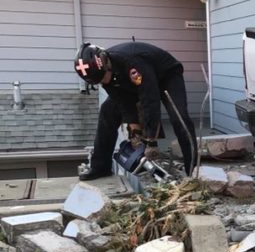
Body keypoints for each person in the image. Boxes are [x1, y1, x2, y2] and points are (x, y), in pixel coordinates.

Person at [73, 41, 197, 180]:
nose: (104, 82)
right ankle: (100, 167)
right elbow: (122, 101)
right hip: (131, 82)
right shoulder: (104, 76)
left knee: (179, 117)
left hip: (166, 75)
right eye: (99, 81)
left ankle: (193, 169)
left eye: (103, 77)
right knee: (107, 111)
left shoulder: (132, 63)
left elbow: (150, 99)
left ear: (106, 64)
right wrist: (134, 128)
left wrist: (151, 140)